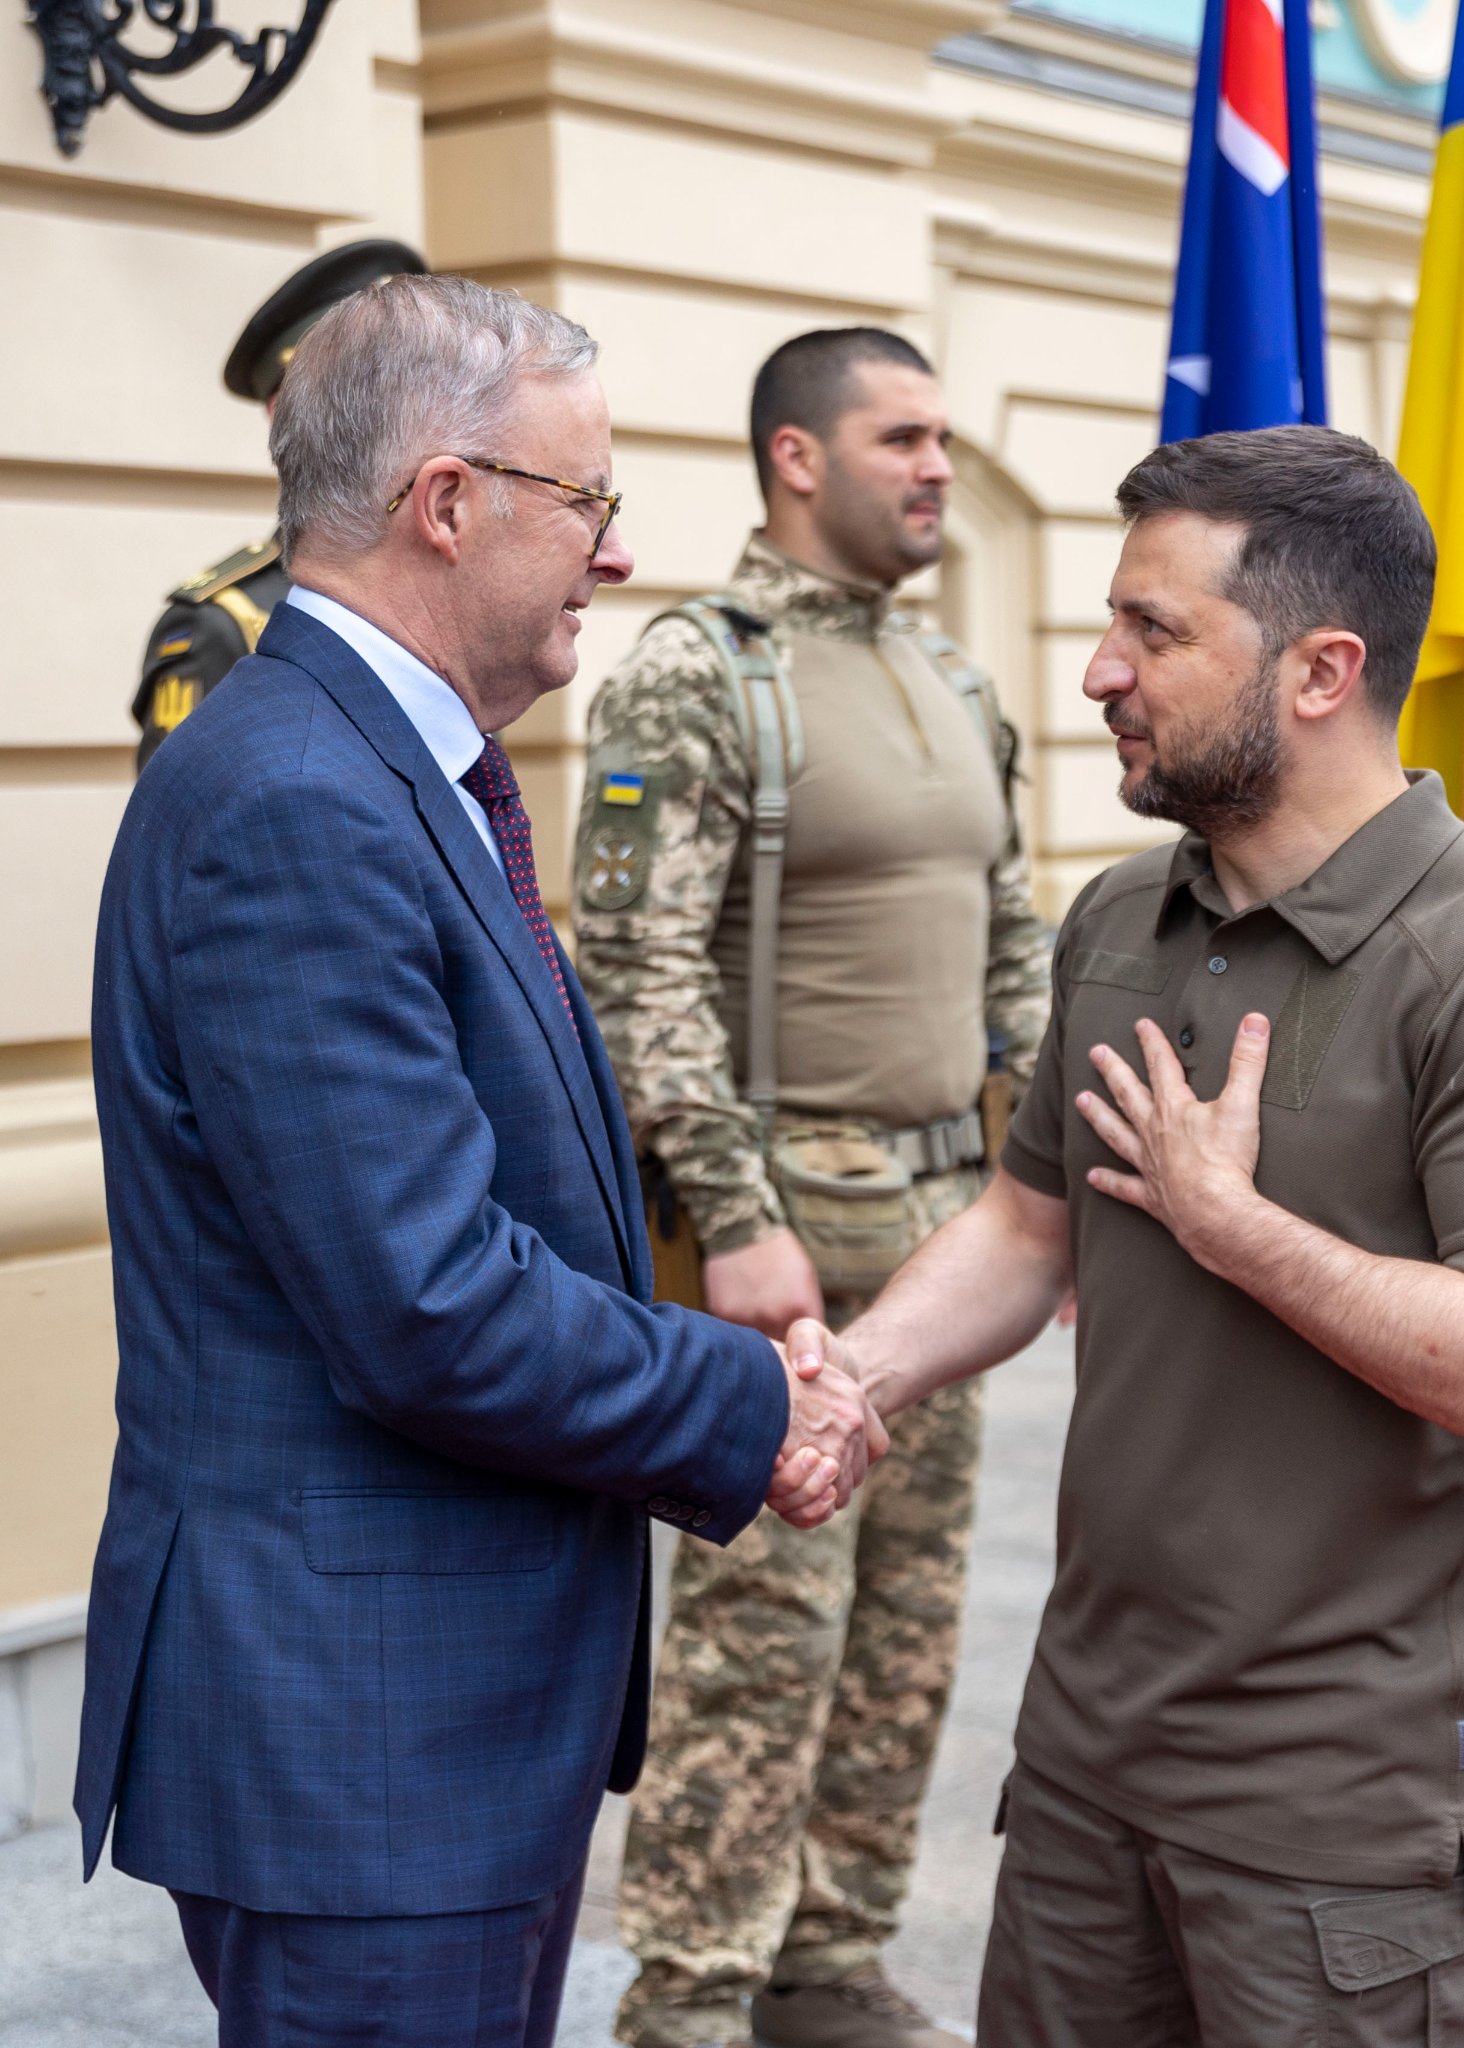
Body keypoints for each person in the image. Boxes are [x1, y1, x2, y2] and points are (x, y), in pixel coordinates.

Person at [77, 273, 886, 2048]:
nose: (610, 555)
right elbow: (426, 1296)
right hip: (362, 1731)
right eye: (586, 501)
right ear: (448, 503)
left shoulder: (392, 768)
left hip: (428, 1714)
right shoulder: (299, 795)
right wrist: (751, 1399)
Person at [793, 424, 1464, 2046]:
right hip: (1080, 1780)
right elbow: (1024, 1229)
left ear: (1320, 670)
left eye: (1153, 630)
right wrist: (849, 1380)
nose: (1101, 668)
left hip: (1345, 1836)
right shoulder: (1119, 917)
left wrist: (1233, 1227)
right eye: (1113, 620)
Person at [572, 327, 1052, 2048]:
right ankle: (689, 2000)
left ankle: (826, 1966)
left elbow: (1014, 945)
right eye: (900, 436)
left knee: (906, 1626)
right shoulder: (698, 673)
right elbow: (633, 965)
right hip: (784, 1233)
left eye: (943, 436)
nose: (936, 465)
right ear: (795, 455)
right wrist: (732, 1202)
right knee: (761, 1635)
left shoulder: (955, 678)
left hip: (947, 1225)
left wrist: (1046, 1179)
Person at [130, 238, 428, 771]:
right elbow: (191, 836)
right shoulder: (226, 623)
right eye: (369, 388)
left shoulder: (445, 587)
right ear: (288, 414)